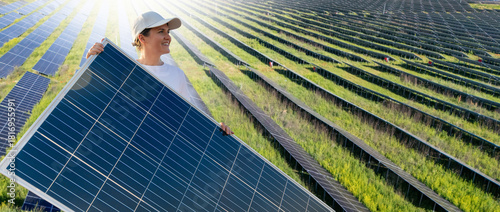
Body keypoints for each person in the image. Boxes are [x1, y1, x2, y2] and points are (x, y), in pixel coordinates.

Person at [86, 11, 234, 135]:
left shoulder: (177, 74)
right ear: (142, 38)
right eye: (161, 31)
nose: (168, 36)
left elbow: (187, 119)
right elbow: (96, 108)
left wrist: (216, 130)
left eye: (168, 32)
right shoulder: (122, 71)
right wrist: (92, 64)